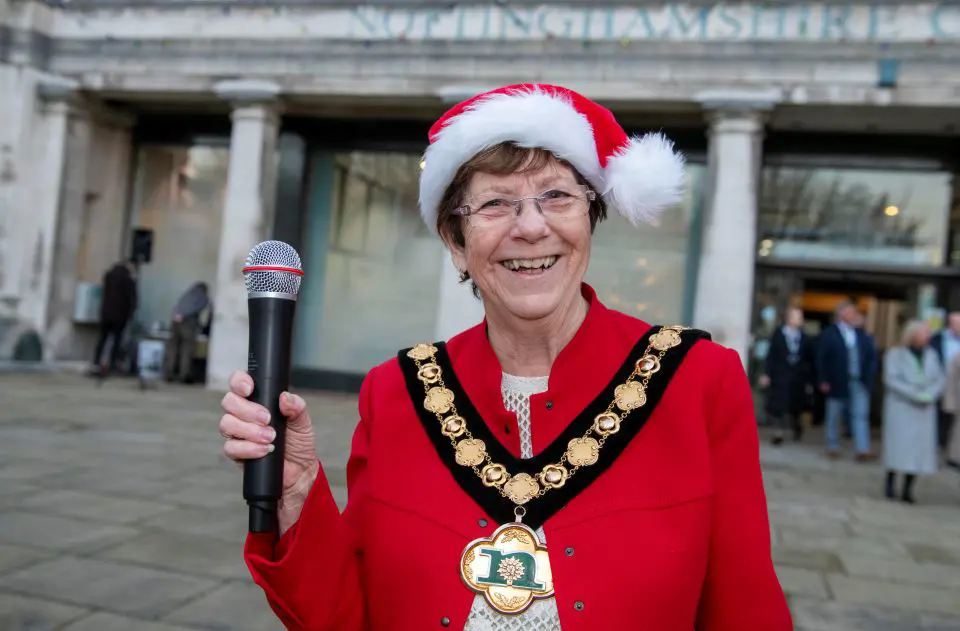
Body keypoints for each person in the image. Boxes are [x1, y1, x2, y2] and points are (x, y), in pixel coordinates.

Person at [218, 84, 792, 630]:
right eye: (495, 203)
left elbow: (746, 611)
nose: (532, 227)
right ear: (456, 243)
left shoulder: (697, 381)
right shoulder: (396, 392)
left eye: (557, 196)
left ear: (590, 219)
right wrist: (296, 493)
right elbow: (347, 616)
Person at [882, 320, 944, 504]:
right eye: (924, 332)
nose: (928, 336)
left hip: (924, 410)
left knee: (918, 451)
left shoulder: (932, 355)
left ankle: (908, 488)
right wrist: (914, 394)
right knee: (898, 448)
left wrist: (930, 394)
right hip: (902, 407)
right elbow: (891, 380)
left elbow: (939, 379)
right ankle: (890, 481)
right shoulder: (895, 355)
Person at [816, 299, 878, 461]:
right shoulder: (829, 334)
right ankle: (832, 445)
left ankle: (862, 449)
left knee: (861, 414)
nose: (854, 315)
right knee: (834, 414)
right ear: (841, 313)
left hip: (859, 380)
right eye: (850, 312)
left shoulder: (861, 335)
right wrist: (823, 379)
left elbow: (870, 357)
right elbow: (822, 358)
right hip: (837, 380)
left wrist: (869, 376)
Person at [760, 306, 812, 445]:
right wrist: (766, 373)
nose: (798, 319)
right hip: (780, 375)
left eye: (800, 317)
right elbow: (771, 355)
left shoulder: (804, 337)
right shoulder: (779, 334)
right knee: (779, 404)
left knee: (795, 405)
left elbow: (808, 359)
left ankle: (797, 427)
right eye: (796, 316)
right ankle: (778, 432)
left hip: (797, 377)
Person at [91, 258, 138, 375]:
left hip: (106, 313)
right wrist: (130, 314)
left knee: (102, 339)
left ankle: (96, 362)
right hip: (120, 315)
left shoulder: (109, 276)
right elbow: (132, 299)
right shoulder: (128, 279)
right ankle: (112, 364)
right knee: (116, 340)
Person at [164, 281, 210, 383]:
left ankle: (169, 373)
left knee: (173, 347)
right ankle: (184, 375)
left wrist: (177, 315)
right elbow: (197, 308)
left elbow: (177, 306)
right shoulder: (203, 297)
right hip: (187, 322)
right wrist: (184, 316)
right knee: (187, 348)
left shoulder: (187, 294)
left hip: (175, 321)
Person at [928, 311, 960, 453]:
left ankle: (950, 447)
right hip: (939, 381)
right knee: (937, 414)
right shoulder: (936, 339)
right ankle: (936, 444)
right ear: (951, 324)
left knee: (952, 416)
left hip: (956, 385)